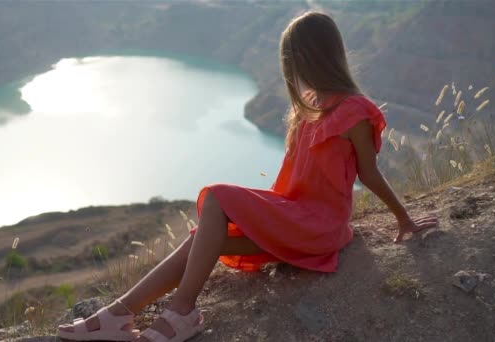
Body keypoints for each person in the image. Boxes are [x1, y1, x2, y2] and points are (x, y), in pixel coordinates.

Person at [57, 10, 438, 342]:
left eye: (296, 61)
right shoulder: (311, 111)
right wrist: (263, 216)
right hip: (293, 221)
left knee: (220, 196)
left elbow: (369, 174)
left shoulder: (356, 110)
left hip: (319, 229)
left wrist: (404, 220)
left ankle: (183, 311)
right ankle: (119, 314)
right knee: (201, 239)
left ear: (316, 58)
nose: (295, 72)